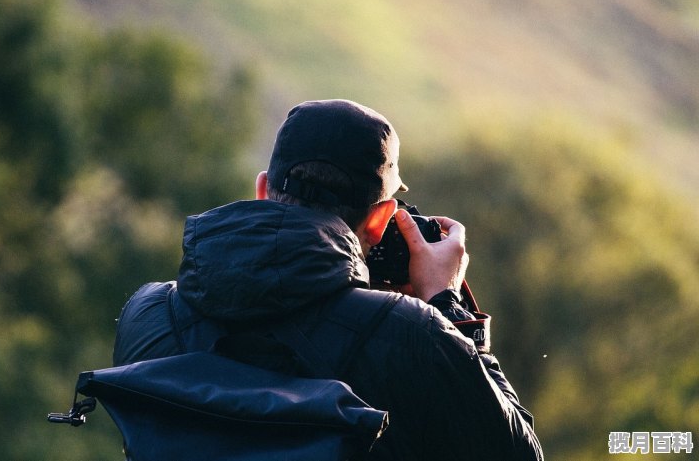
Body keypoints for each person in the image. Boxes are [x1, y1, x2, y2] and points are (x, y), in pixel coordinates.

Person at [113, 99, 544, 460]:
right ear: (380, 221)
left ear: (263, 190)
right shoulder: (415, 339)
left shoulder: (147, 317)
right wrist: (448, 306)